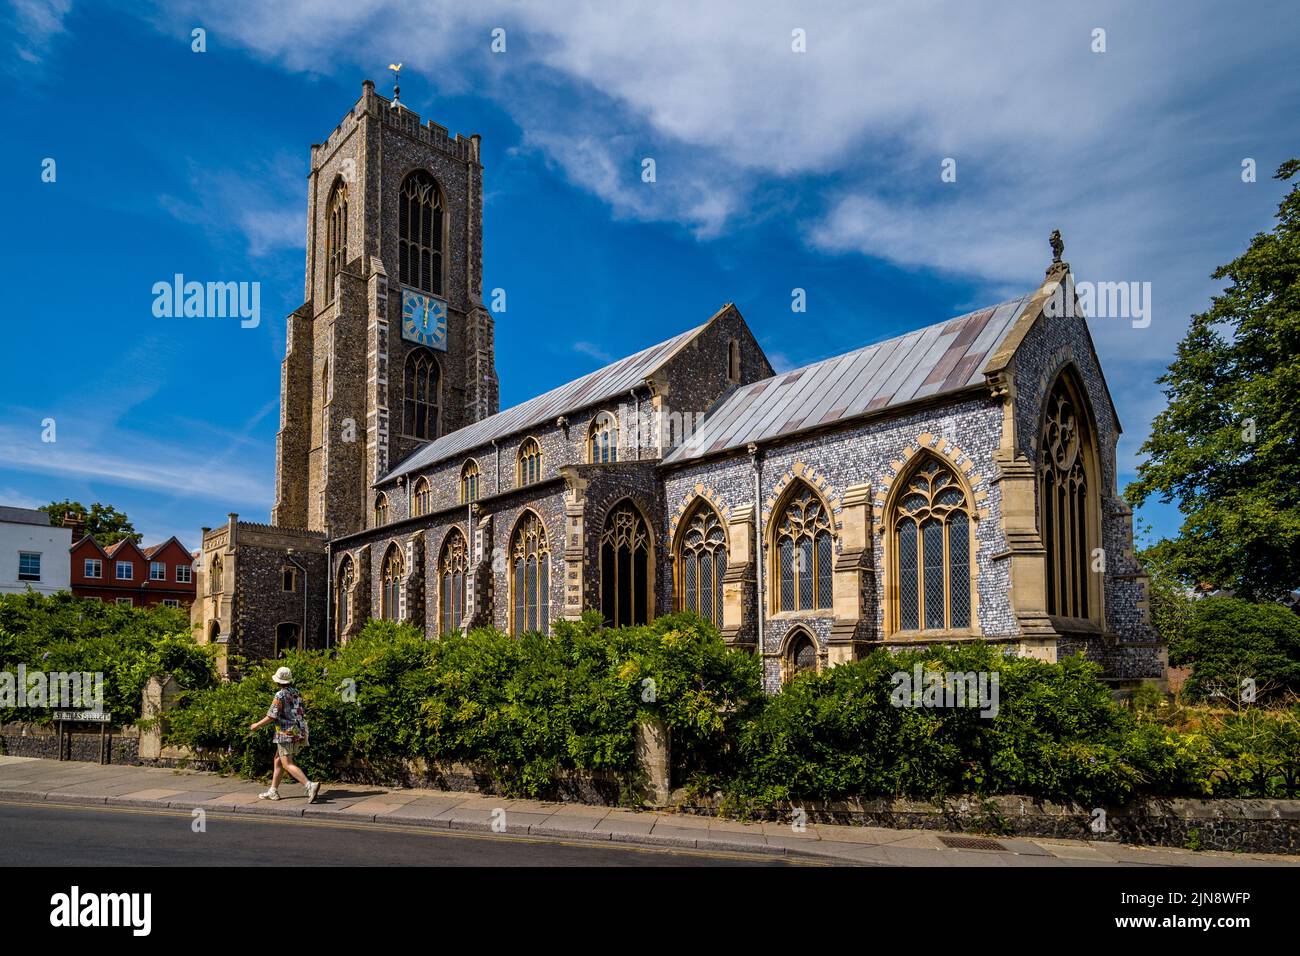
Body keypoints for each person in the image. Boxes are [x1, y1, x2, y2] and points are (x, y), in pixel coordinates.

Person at [249, 666, 321, 803]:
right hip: (297, 731)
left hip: (285, 733)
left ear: (278, 681)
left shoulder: (280, 695)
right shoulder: (296, 692)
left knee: (287, 763)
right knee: (278, 759)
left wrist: (256, 725)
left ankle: (309, 785)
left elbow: (272, 715)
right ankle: (273, 790)